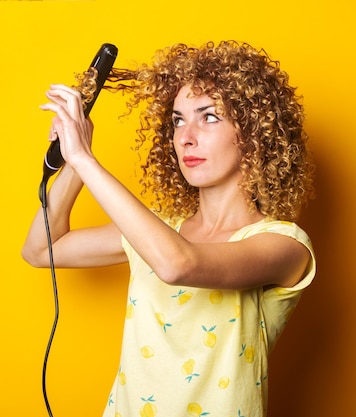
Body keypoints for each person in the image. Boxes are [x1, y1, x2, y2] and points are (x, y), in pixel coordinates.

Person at [22, 40, 316, 417]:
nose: (185, 136)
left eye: (209, 116)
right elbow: (42, 250)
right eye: (178, 119)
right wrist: (76, 162)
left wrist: (84, 156)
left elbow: (179, 265)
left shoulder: (284, 245)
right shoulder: (155, 230)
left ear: (255, 131)